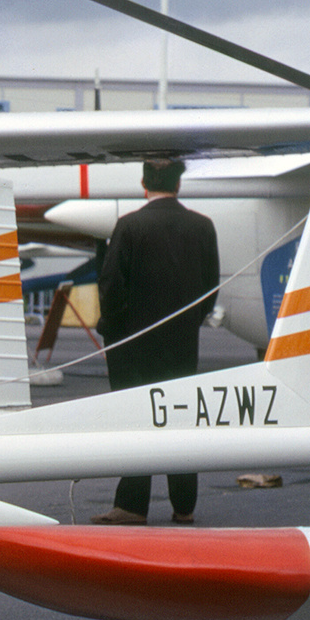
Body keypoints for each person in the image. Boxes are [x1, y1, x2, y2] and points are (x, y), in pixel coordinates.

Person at [91, 158, 219, 525]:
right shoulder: (203, 227)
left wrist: (112, 329)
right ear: (179, 185)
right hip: (182, 344)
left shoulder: (129, 226)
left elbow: (112, 288)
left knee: (135, 422)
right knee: (180, 420)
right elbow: (210, 289)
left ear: (144, 183)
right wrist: (189, 324)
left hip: (133, 346)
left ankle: (132, 504)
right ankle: (184, 505)